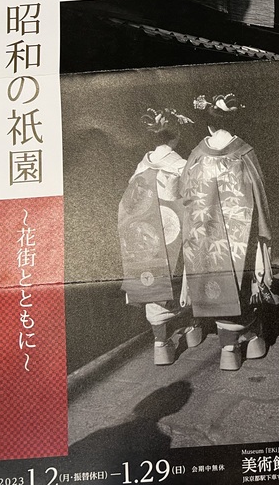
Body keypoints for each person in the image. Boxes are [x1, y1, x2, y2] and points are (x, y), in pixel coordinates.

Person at [179, 94, 274, 371]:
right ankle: (247, 338)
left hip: (204, 234)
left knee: (213, 277)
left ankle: (227, 347)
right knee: (243, 280)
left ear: (208, 125)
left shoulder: (197, 155)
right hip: (238, 234)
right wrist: (264, 231)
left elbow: (184, 191)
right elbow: (260, 194)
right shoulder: (244, 153)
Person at [118, 108, 202, 366]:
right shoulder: (181, 165)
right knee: (182, 280)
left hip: (146, 237)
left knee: (152, 284)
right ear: (177, 136)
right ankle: (193, 327)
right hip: (174, 233)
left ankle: (160, 342)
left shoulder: (142, 166)